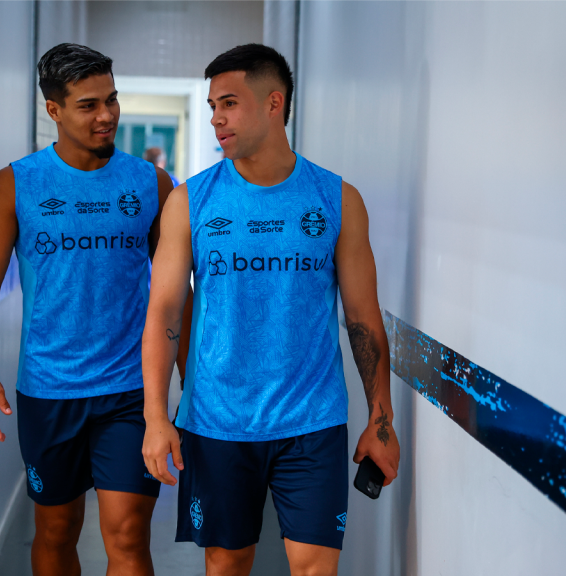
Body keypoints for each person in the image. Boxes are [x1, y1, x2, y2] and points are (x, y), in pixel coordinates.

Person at [140, 44, 400, 576]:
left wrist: (381, 418)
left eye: (229, 103)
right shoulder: (190, 202)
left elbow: (362, 319)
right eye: (213, 106)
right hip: (218, 420)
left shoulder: (337, 200)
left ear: (274, 103)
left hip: (312, 420)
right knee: (227, 565)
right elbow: (164, 312)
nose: (216, 118)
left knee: (315, 569)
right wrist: (155, 416)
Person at [0, 43, 187, 576]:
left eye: (111, 100)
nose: (106, 115)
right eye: (88, 105)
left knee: (128, 534)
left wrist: (191, 380)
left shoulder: (151, 184)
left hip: (129, 391)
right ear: (54, 110)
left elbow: (177, 294)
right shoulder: (15, 185)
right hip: (48, 391)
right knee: (57, 531)